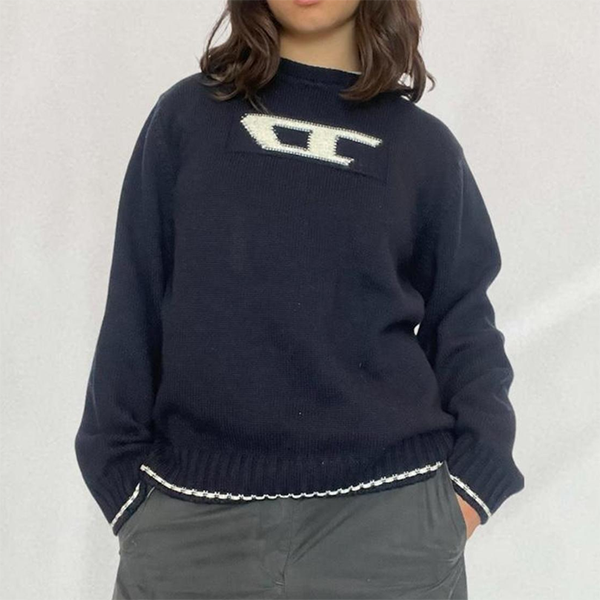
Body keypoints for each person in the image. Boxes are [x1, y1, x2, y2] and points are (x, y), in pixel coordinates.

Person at [74, 1, 525, 598]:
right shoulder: (187, 118)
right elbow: (134, 298)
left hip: (391, 528)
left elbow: (466, 324)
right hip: (186, 529)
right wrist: (121, 483)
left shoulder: (425, 148)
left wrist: (471, 488)